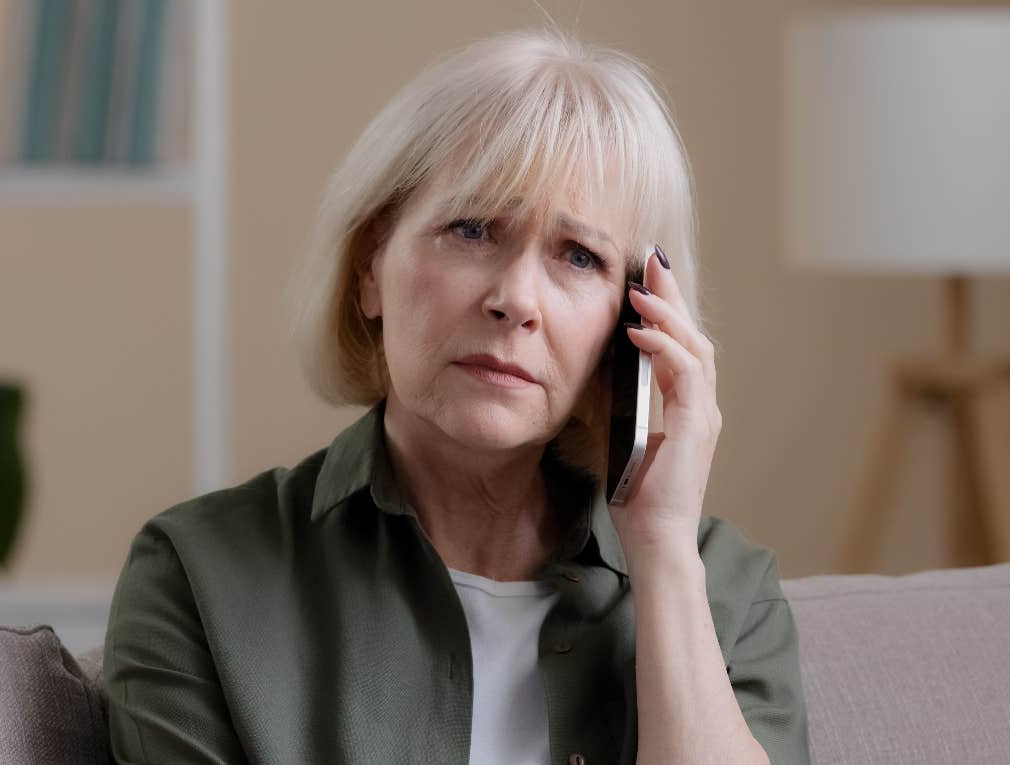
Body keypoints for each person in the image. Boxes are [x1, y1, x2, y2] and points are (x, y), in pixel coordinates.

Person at [103, 26, 810, 765]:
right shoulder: (198, 572)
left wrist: (663, 554)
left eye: (579, 255)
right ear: (370, 268)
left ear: (636, 321)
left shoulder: (724, 592)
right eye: (472, 229)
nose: (514, 298)